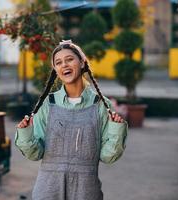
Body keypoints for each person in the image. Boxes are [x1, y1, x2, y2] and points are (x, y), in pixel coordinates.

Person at [15, 40, 128, 200]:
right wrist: (25, 133)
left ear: (82, 63)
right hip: (48, 190)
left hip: (86, 191)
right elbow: (36, 154)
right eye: (58, 62)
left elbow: (107, 156)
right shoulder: (48, 103)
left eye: (69, 59)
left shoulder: (101, 105)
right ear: (55, 69)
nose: (64, 65)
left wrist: (116, 129)